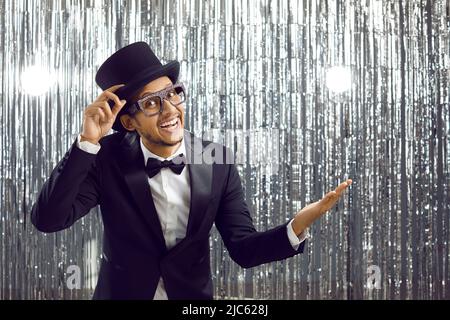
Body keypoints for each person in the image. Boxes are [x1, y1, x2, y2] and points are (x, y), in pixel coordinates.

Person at [31, 42, 352, 299]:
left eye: (172, 94)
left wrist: (297, 225)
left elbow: (243, 249)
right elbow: (49, 219)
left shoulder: (217, 161)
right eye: (152, 102)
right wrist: (88, 142)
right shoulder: (106, 158)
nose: (170, 109)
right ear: (128, 122)